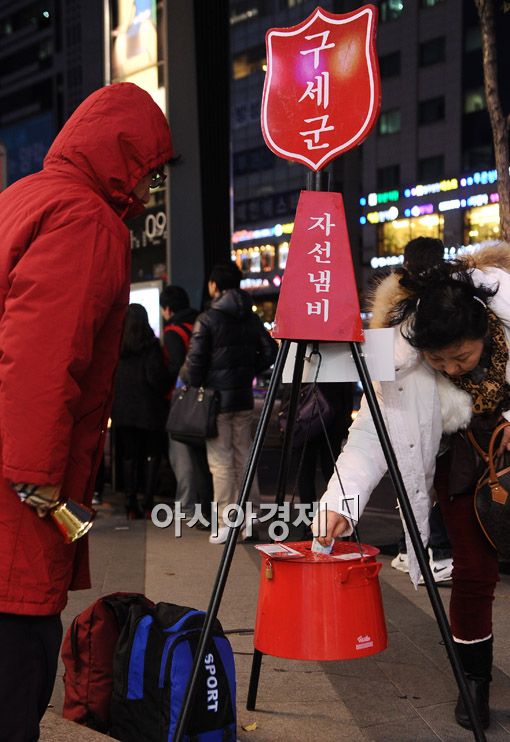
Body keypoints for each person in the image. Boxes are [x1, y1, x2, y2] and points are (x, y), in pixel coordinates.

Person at [0, 82, 173, 740]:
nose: (153, 187)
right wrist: (41, 487)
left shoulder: (23, 196)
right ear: (123, 156)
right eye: (151, 170)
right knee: (17, 663)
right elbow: (42, 361)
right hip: (17, 498)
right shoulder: (87, 219)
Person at [314, 241, 510, 730]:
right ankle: (474, 680)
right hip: (460, 464)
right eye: (438, 361)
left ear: (485, 328)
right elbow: (372, 432)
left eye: (460, 356)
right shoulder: (401, 360)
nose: (452, 369)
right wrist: (342, 502)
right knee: (472, 571)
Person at [185, 263, 278, 544]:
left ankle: (227, 522)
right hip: (243, 399)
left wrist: (201, 380)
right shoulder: (250, 317)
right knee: (244, 457)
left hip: (217, 402)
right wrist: (247, 371)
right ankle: (250, 518)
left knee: (221, 461)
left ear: (214, 285)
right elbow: (270, 351)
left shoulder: (208, 319)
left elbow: (194, 365)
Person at [390, 238, 453, 583]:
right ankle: (419, 550)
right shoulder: (448, 296)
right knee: (431, 480)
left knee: (418, 478)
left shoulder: (403, 301)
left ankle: (432, 552)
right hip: (448, 402)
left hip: (414, 402)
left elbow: (398, 357)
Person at [111, 304, 172, 517]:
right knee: (151, 455)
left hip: (124, 411)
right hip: (149, 410)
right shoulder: (151, 346)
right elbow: (155, 377)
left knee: (129, 456)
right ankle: (147, 503)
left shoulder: (117, 347)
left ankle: (130, 504)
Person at [160, 285, 213, 521]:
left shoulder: (173, 331)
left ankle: (186, 507)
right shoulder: (201, 323)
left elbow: (176, 366)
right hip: (206, 397)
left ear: (167, 309)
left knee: (182, 456)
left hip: (182, 399)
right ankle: (205, 506)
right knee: (204, 457)